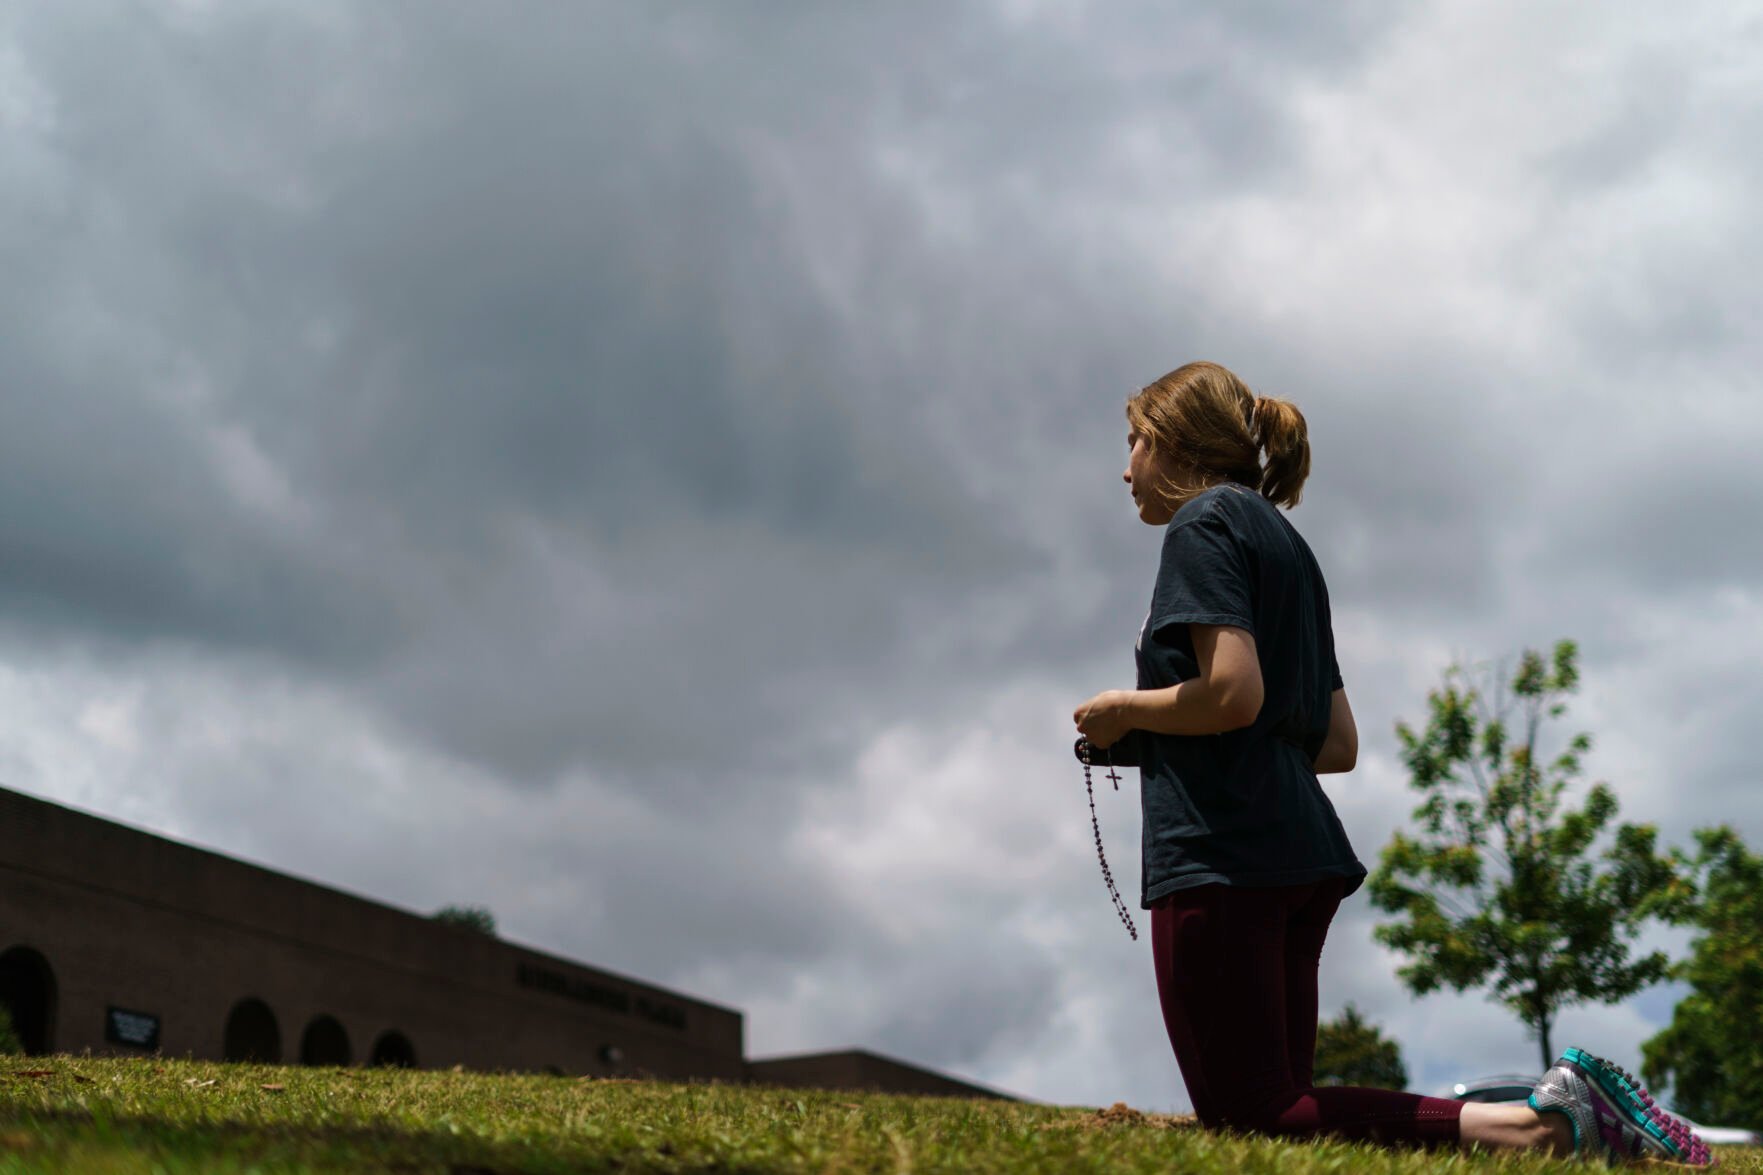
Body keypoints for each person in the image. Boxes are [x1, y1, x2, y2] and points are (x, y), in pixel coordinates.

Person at [1070, 361, 1711, 1165]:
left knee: (1253, 1113)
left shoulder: (1199, 525)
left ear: (1176, 439)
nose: (1124, 463)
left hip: (1218, 853)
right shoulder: (1288, 545)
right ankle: (1568, 1123)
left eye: (1135, 438)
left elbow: (1232, 694)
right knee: (1287, 1107)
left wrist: (1124, 708)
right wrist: (1148, 738)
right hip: (1298, 851)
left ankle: (1543, 1124)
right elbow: (1332, 742)